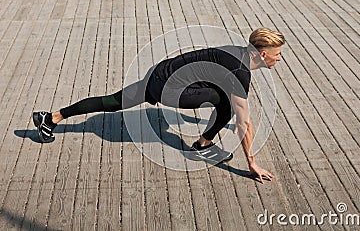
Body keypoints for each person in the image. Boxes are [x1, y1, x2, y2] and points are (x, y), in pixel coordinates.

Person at [33, 27, 285, 183]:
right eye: (278, 53)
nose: (279, 58)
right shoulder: (241, 72)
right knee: (226, 102)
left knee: (112, 101)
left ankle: (51, 118)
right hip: (169, 89)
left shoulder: (235, 51)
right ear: (262, 54)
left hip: (160, 72)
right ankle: (202, 144)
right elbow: (244, 122)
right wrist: (251, 162)